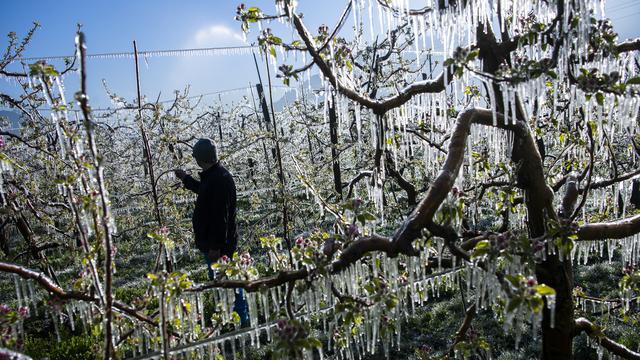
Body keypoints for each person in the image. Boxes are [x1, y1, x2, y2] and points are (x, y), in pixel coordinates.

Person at [174, 138, 250, 327]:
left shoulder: (220, 180)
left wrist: (215, 247)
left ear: (201, 159)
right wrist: (186, 179)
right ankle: (232, 319)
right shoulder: (214, 176)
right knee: (223, 283)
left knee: (229, 283)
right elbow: (203, 190)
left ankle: (242, 322)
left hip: (219, 247)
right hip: (215, 244)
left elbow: (220, 217)